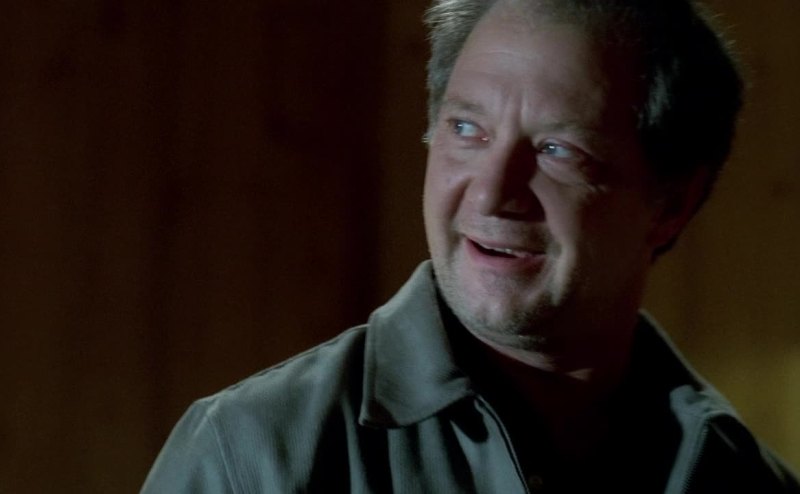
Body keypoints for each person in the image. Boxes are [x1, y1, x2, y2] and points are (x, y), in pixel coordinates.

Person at [141, 0, 800, 492]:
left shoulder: (744, 481)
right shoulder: (254, 454)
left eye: (558, 150)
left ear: (671, 204)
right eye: (466, 129)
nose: (490, 194)